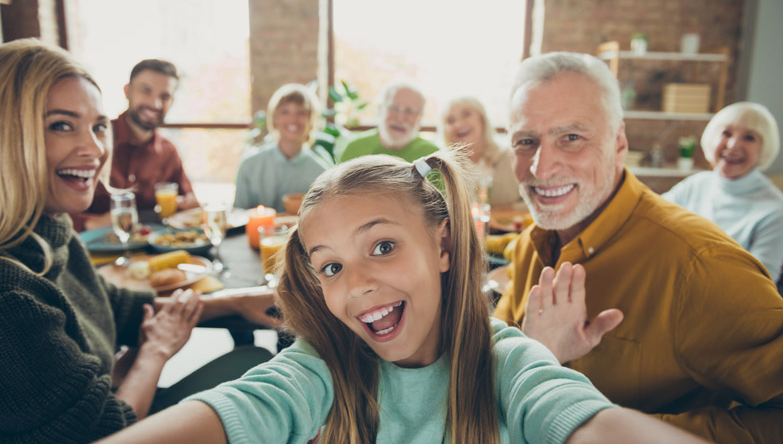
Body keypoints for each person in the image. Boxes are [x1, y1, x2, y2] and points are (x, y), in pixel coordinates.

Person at [98, 149, 709, 444]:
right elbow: (239, 409)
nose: (356, 283)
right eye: (330, 266)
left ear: (444, 246)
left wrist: (551, 357)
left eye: (383, 247)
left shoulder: (511, 362)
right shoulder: (323, 363)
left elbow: (584, 420)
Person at [492, 51, 783, 443]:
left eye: (571, 138)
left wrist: (609, 430)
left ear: (619, 142)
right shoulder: (532, 243)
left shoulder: (701, 266)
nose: (541, 167)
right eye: (525, 141)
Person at [0, 39, 279, 443]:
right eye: (61, 125)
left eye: (98, 127)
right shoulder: (10, 296)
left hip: (113, 402)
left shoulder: (53, 233)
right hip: (114, 426)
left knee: (255, 362)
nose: (95, 148)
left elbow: (118, 309)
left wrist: (236, 301)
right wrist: (154, 352)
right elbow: (106, 430)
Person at [663, 102, 783, 283]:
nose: (733, 144)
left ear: (763, 149)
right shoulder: (696, 184)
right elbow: (652, 220)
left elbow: (758, 284)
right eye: (726, 133)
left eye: (749, 138)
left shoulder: (779, 212)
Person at [70, 58, 199, 232]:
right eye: (146, 91)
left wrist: (188, 206)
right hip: (92, 247)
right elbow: (52, 207)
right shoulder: (93, 139)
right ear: (127, 91)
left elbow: (189, 205)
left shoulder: (168, 151)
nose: (155, 104)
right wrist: (90, 222)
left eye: (165, 96)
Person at [233, 83, 332, 212]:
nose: (293, 119)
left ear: (311, 120)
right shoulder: (249, 166)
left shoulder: (322, 173)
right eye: (285, 112)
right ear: (275, 118)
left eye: (301, 112)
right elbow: (237, 216)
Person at [441, 95, 524, 209]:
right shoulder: (444, 168)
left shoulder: (511, 157)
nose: (458, 124)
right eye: (450, 120)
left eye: (466, 114)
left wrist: (501, 211)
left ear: (482, 119)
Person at [338, 82, 439, 163]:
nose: (400, 118)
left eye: (409, 111)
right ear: (380, 109)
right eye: (394, 108)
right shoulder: (355, 148)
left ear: (420, 117)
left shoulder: (432, 155)